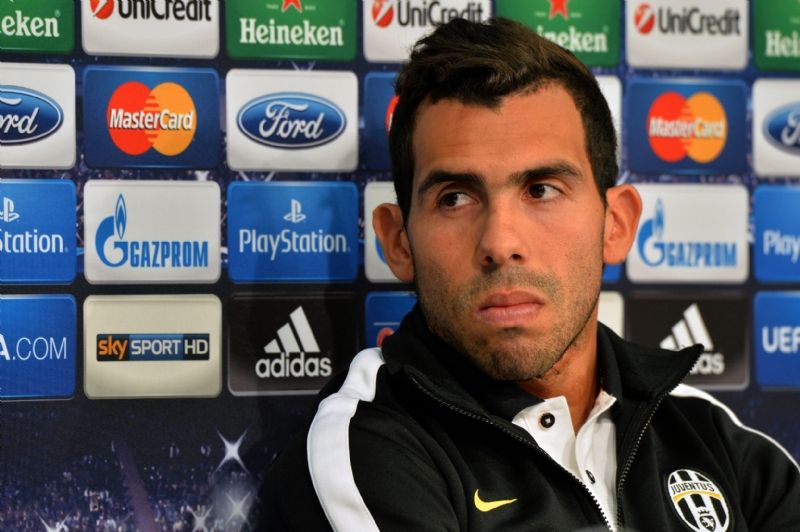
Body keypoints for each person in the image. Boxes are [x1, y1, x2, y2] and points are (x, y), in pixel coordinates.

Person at [260, 17, 800, 531]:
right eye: (455, 198)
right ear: (399, 242)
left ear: (615, 225)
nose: (500, 243)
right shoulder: (363, 447)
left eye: (541, 190)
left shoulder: (704, 431)